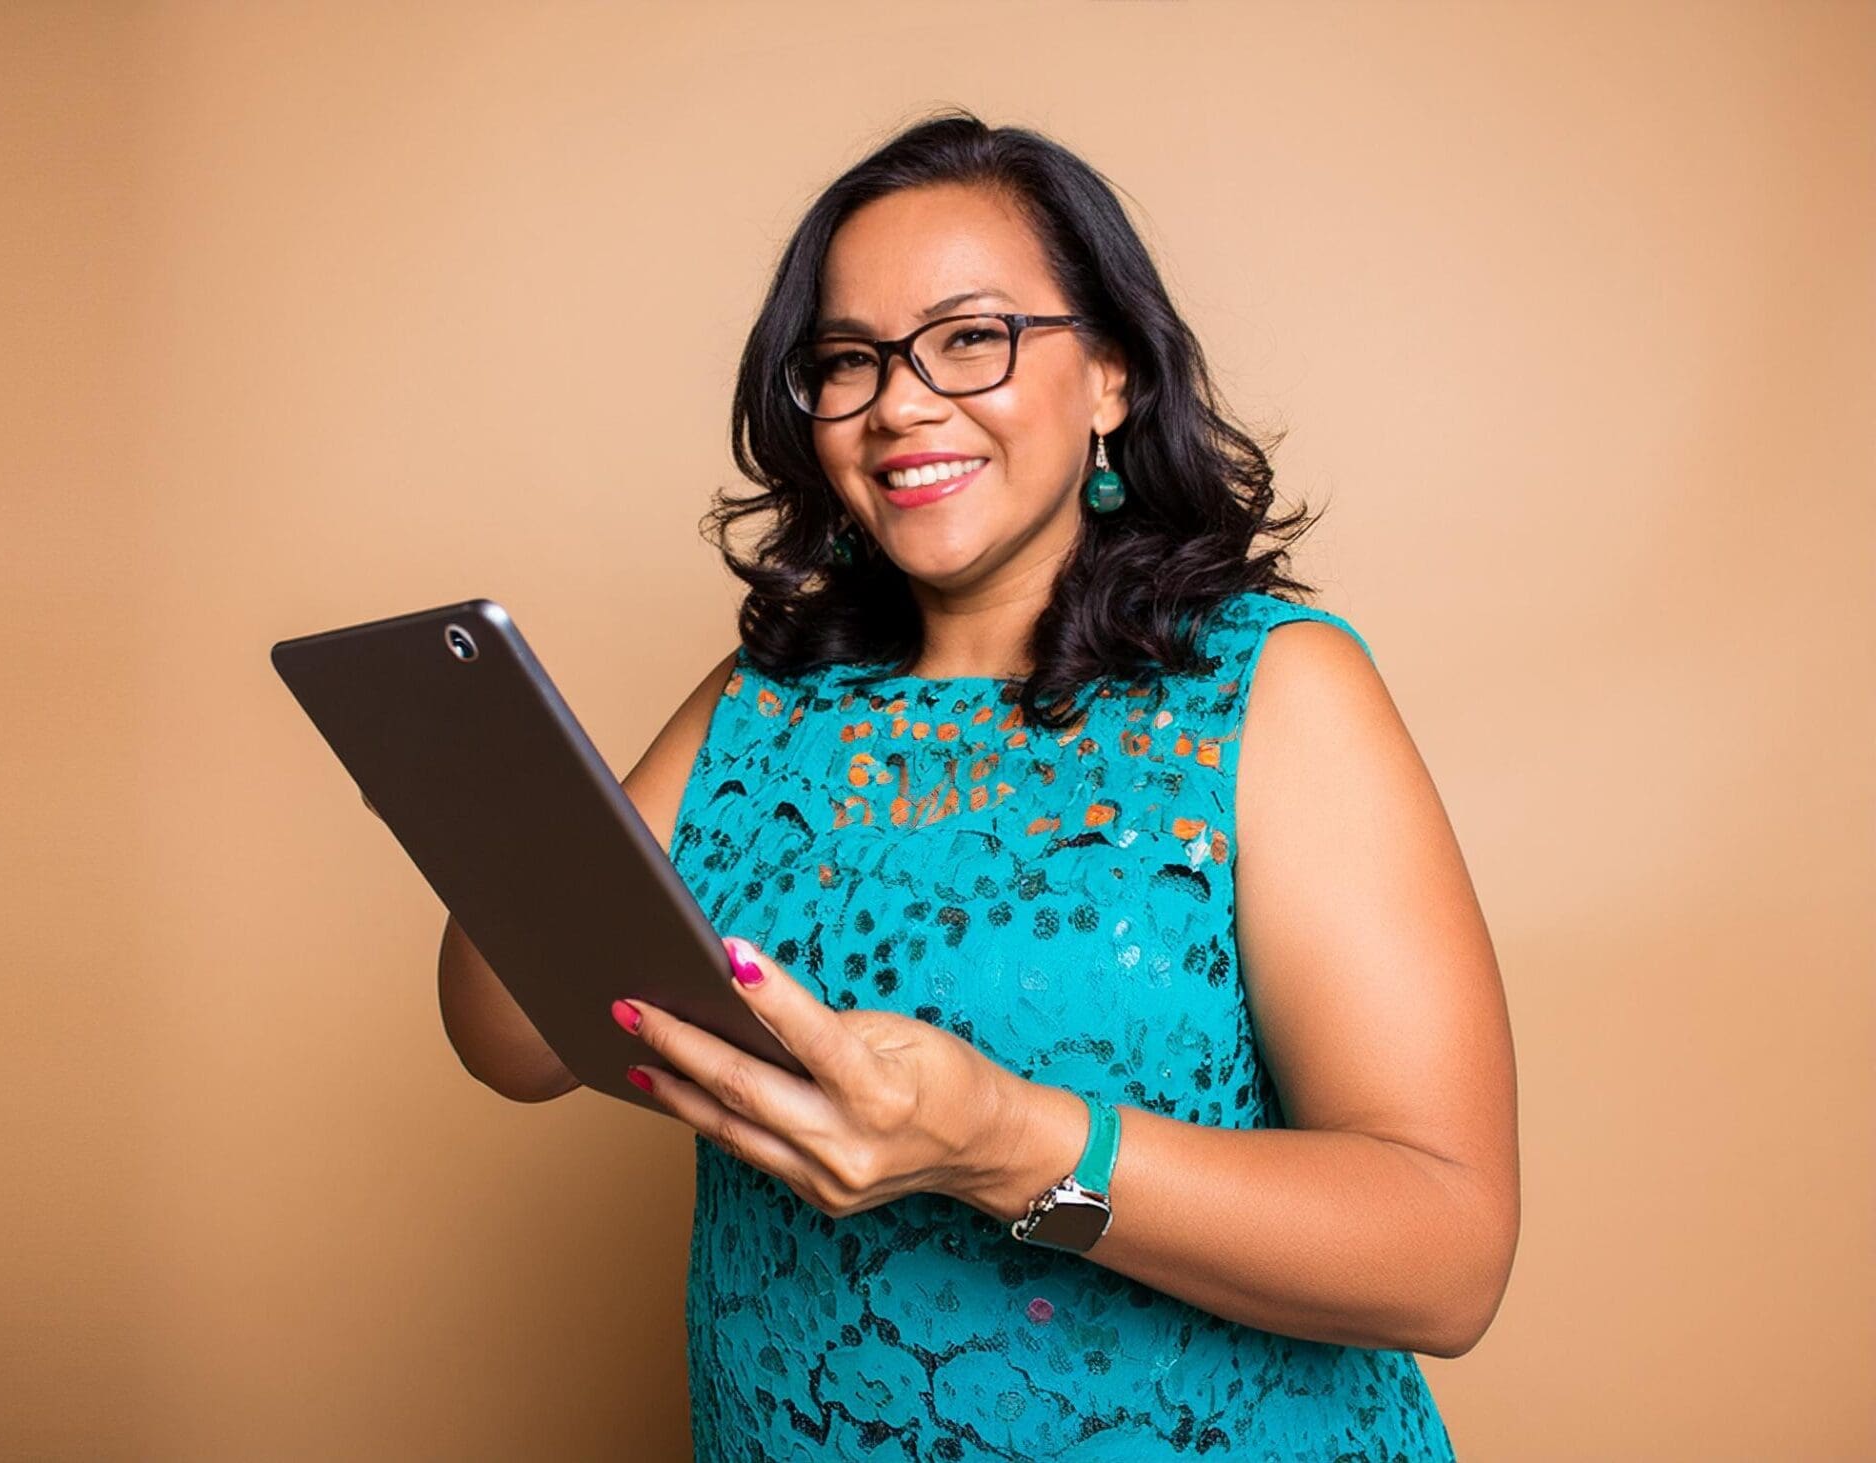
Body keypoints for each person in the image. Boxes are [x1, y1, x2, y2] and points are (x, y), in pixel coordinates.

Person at [435, 110, 1518, 1460]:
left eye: (971, 338)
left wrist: (1006, 1150)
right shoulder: (764, 701)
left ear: (1113, 373)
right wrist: (475, 785)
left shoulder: (1270, 695)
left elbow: (1446, 1256)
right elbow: (517, 1042)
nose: (899, 401)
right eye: (848, 360)